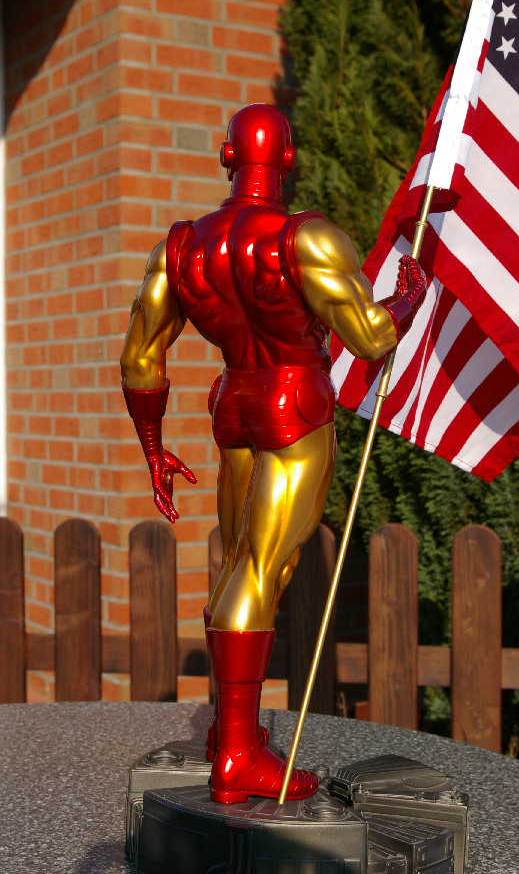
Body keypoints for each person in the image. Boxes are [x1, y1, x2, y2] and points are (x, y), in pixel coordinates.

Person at [120, 103, 426, 804]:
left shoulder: (181, 246)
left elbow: (140, 356)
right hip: (295, 408)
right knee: (259, 570)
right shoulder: (306, 237)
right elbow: (370, 337)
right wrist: (408, 297)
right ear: (287, 160)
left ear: (228, 156)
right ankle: (236, 756)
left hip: (234, 405)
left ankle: (230, 731)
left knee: (237, 564)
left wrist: (152, 449)